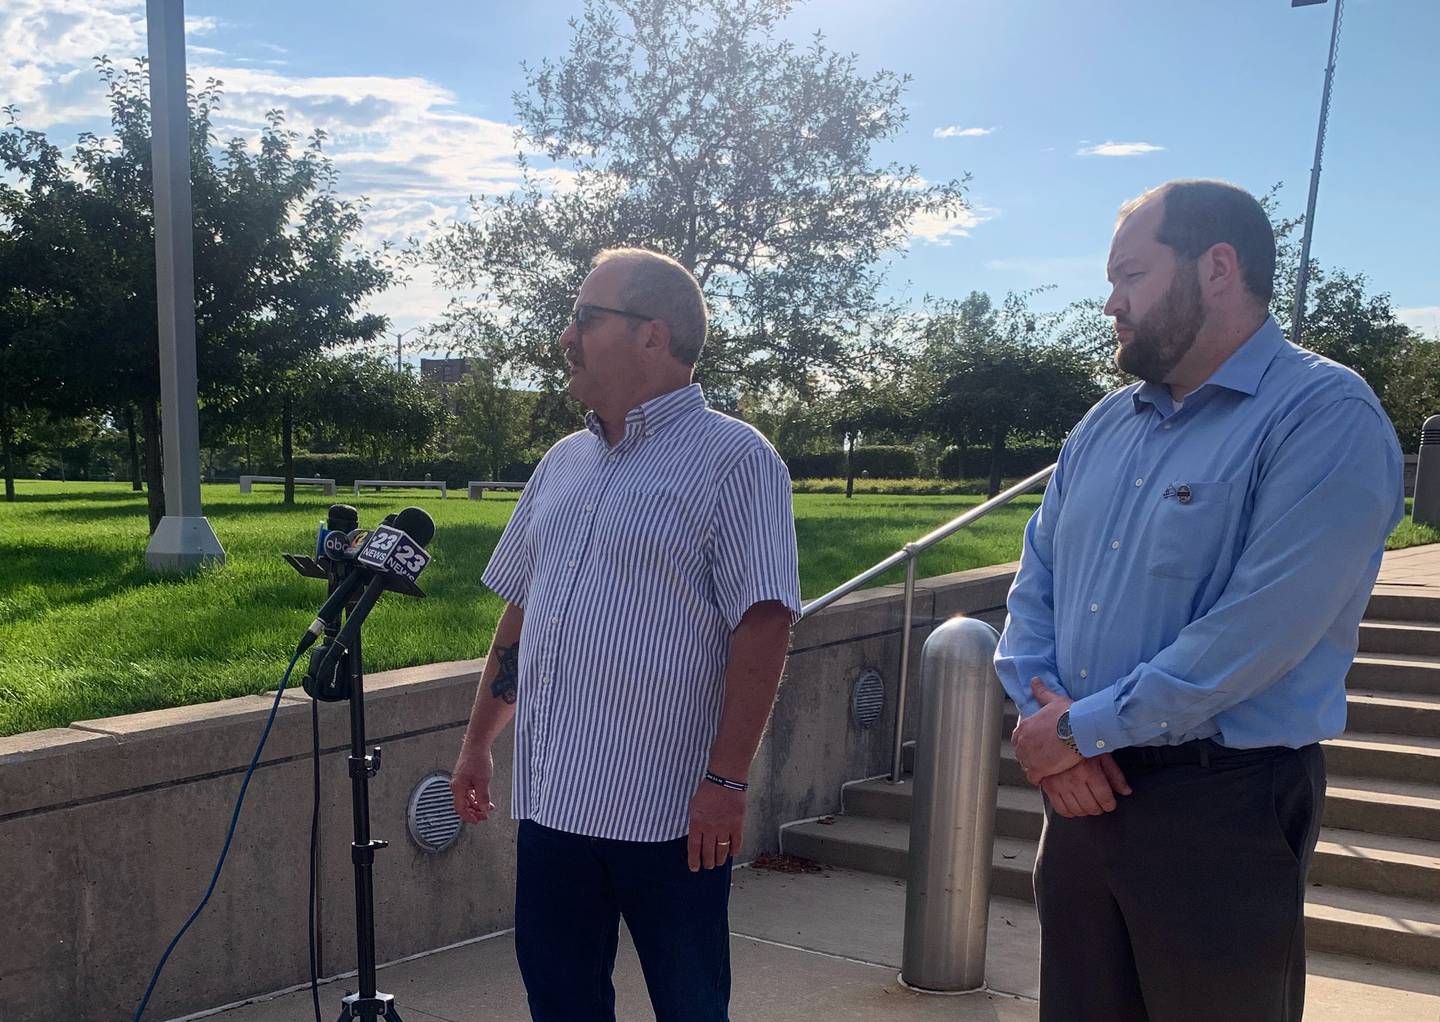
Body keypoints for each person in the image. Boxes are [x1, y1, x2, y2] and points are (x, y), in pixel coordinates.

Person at [995, 179, 1403, 1021]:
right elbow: (1034, 589)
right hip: (1080, 797)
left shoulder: (1324, 415)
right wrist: (1051, 723)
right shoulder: (1104, 427)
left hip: (1219, 806)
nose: (1110, 302)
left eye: (1131, 274)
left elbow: (1259, 631)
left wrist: (1074, 732)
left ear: (1217, 267)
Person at [449, 247, 801, 1022]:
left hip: (669, 813)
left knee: (690, 1005)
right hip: (553, 803)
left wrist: (728, 782)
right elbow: (521, 611)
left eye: (584, 318)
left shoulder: (736, 459)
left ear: (654, 335)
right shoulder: (562, 462)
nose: (565, 338)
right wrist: (479, 742)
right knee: (561, 1002)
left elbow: (765, 621)